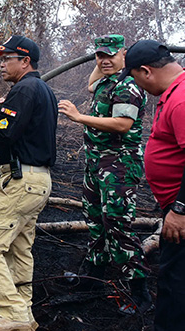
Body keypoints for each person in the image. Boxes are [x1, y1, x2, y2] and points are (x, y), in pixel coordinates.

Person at [0, 35, 57, 331]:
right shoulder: (39, 89)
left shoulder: (25, 89)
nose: (1, 64)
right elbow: (20, 126)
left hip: (21, 181)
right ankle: (24, 310)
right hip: (38, 180)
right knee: (19, 248)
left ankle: (12, 310)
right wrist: (8, 106)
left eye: (7, 59)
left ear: (25, 61)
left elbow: (4, 134)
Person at [57, 34, 150, 313]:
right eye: (99, 55)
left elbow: (122, 124)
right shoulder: (106, 82)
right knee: (95, 220)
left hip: (119, 165)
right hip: (97, 163)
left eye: (110, 55)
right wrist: (104, 62)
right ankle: (94, 276)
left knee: (117, 225)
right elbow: (90, 84)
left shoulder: (129, 85)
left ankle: (140, 291)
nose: (104, 60)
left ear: (124, 54)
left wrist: (79, 117)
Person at [120, 40, 185, 331]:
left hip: (182, 210)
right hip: (175, 206)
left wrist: (180, 210)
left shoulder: (182, 99)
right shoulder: (174, 93)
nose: (138, 86)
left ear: (146, 71)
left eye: (134, 78)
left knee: (174, 280)